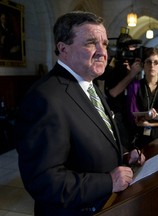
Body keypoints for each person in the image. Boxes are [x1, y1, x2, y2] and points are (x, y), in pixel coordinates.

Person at [13, 11, 145, 216]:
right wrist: (108, 181)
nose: (103, 52)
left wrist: (124, 155)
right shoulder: (44, 98)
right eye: (91, 43)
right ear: (63, 48)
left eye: (104, 43)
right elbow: (44, 181)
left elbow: (95, 135)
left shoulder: (89, 85)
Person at [96, 33, 142, 149]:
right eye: (129, 48)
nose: (133, 51)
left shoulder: (131, 66)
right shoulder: (115, 67)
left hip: (131, 113)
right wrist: (131, 75)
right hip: (118, 115)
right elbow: (113, 93)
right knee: (124, 146)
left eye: (134, 48)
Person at [127, 47, 158, 148]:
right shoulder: (135, 86)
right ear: (143, 65)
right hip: (140, 140)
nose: (152, 66)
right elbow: (132, 117)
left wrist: (150, 124)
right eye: (148, 62)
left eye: (156, 62)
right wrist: (144, 120)